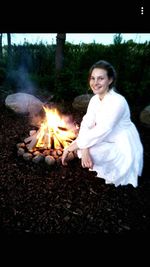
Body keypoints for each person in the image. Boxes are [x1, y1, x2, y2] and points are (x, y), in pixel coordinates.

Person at [61, 60, 143, 187]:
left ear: (110, 80)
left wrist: (77, 145)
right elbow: (87, 122)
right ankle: (85, 150)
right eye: (93, 78)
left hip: (121, 141)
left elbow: (104, 129)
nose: (95, 83)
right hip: (103, 136)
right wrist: (84, 147)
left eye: (100, 78)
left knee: (84, 148)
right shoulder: (94, 99)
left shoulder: (118, 101)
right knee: (84, 148)